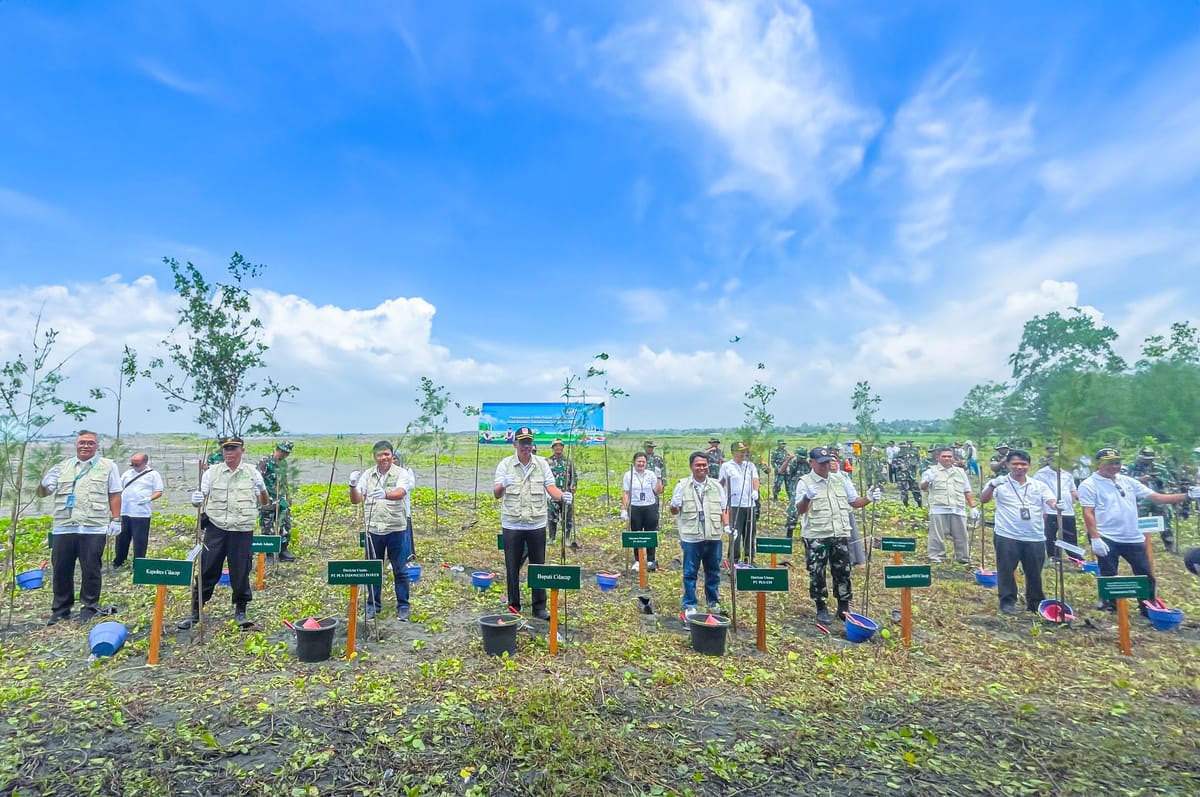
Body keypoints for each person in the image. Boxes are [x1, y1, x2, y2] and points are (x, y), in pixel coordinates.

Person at [1077, 447, 1197, 612]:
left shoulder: (1128, 481)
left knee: (1145, 573)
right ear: (1098, 464)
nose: (1114, 466)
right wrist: (1095, 538)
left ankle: (1148, 605)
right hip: (1106, 536)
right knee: (1108, 573)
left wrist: (1188, 495)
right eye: (1109, 463)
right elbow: (1088, 512)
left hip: (1132, 536)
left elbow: (1158, 497)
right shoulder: (1089, 484)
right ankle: (1109, 603)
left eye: (1117, 462)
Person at [178, 435, 268, 629]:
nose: (229, 452)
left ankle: (241, 611)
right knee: (207, 569)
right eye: (226, 449)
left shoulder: (252, 472)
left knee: (241, 571)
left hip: (242, 530)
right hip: (216, 528)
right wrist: (195, 500)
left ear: (242, 450)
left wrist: (262, 490)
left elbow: (264, 501)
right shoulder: (212, 472)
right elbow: (202, 498)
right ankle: (195, 611)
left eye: (233, 448)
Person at [37, 430, 122, 625]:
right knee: (61, 569)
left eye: (91, 443)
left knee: (91, 569)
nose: (86, 446)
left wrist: (116, 519)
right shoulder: (61, 467)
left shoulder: (108, 466)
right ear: (76, 444)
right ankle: (61, 610)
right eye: (82, 442)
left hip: (93, 526)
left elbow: (115, 493)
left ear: (97, 446)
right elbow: (43, 493)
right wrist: (42, 484)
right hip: (64, 526)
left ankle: (89, 607)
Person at [795, 446, 881, 624]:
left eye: (827, 462)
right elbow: (801, 510)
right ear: (811, 463)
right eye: (821, 463)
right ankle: (821, 607)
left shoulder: (840, 479)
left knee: (843, 571)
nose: (825, 466)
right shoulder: (805, 482)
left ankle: (843, 607)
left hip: (839, 532)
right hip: (817, 535)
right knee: (817, 572)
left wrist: (868, 498)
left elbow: (854, 502)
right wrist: (807, 497)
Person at [493, 427, 565, 619]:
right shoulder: (505, 465)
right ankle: (514, 605)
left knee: (538, 566)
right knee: (512, 566)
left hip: (536, 523)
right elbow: (496, 493)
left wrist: (563, 496)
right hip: (512, 524)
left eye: (529, 443)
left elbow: (551, 488)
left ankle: (539, 607)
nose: (526, 446)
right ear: (515, 444)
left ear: (532, 444)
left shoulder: (541, 464)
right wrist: (503, 485)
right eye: (522, 443)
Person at [978, 450, 1057, 615]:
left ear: (1029, 466)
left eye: (1023, 464)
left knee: (1034, 571)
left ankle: (1035, 602)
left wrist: (1057, 505)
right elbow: (983, 499)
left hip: (1034, 535)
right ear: (1007, 465)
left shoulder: (1038, 486)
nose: (1019, 467)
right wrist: (992, 485)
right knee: (1006, 570)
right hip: (1007, 534)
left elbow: (1051, 501)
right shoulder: (999, 483)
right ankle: (1007, 601)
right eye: (1015, 464)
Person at [349, 441, 413, 621]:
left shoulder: (401, 473)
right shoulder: (368, 475)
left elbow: (401, 492)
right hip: (373, 530)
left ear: (392, 456)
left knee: (400, 570)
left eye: (387, 454)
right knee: (373, 570)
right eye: (380, 455)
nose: (384, 458)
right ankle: (372, 606)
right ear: (375, 457)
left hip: (395, 529)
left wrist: (385, 494)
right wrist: (352, 485)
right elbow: (356, 500)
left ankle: (403, 606)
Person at [670, 452, 729, 622]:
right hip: (692, 537)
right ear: (691, 467)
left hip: (713, 536)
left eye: (704, 465)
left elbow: (724, 508)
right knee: (690, 572)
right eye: (698, 465)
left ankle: (713, 602)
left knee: (713, 572)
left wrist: (726, 525)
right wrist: (675, 505)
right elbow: (674, 510)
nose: (702, 468)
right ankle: (690, 604)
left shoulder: (716, 485)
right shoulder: (682, 485)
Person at [920, 447, 978, 564]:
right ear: (937, 458)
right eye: (944, 456)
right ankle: (936, 558)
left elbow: (967, 491)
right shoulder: (930, 472)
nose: (947, 458)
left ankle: (963, 559)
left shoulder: (960, 472)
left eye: (949, 456)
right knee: (937, 536)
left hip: (958, 508)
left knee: (962, 536)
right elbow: (923, 488)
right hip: (938, 508)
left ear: (953, 458)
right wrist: (927, 481)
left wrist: (973, 507)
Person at [113, 451, 164, 569]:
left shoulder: (153, 474)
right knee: (121, 538)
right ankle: (119, 561)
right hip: (125, 510)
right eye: (133, 464)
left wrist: (148, 498)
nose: (134, 467)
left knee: (140, 540)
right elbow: (118, 489)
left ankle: (139, 565)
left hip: (141, 513)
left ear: (145, 463)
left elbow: (159, 491)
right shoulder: (127, 474)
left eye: (137, 464)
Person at [1128, 447, 1179, 552]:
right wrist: (1139, 480)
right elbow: (1122, 480)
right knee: (1138, 522)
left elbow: (1171, 482)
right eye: (1145, 459)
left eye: (1150, 459)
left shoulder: (1160, 468)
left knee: (1164, 522)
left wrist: (1159, 480)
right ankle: (1138, 546)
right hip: (1139, 500)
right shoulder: (1131, 467)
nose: (1148, 461)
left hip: (1158, 498)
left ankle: (1169, 545)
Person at [719, 442, 761, 565]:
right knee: (735, 534)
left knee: (750, 534)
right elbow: (721, 484)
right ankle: (733, 560)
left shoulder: (750, 465)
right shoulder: (727, 466)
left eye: (744, 451)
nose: (743, 454)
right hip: (734, 504)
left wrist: (755, 490)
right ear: (733, 453)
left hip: (749, 504)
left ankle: (749, 559)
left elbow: (755, 479)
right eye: (740, 451)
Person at [621, 452, 663, 571]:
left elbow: (657, 490)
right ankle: (638, 560)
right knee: (636, 533)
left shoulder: (650, 474)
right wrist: (624, 509)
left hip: (650, 506)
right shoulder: (628, 475)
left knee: (650, 533)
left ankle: (650, 560)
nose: (641, 464)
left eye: (643, 462)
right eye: (639, 461)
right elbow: (626, 493)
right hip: (635, 507)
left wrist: (659, 478)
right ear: (634, 462)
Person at [1033, 456, 1079, 561]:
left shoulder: (1067, 474)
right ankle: (1054, 558)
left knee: (1070, 535)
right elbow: (1037, 493)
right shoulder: (1041, 474)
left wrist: (1081, 499)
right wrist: (1042, 510)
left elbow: (1072, 490)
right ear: (1049, 461)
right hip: (1050, 510)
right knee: (1050, 536)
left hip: (1067, 510)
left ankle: (1075, 558)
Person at [258, 440, 297, 562]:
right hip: (267, 499)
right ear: (277, 449)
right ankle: (269, 554)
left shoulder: (283, 464)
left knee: (285, 523)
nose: (284, 455)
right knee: (267, 526)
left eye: (287, 453)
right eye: (283, 452)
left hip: (280, 499)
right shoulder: (265, 462)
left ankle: (283, 550)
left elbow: (284, 481)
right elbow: (257, 481)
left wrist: (288, 495)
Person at [546, 439, 578, 549]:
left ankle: (567, 538)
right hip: (553, 494)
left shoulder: (568, 462)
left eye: (560, 446)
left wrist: (573, 486)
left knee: (567, 518)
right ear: (553, 448)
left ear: (563, 448)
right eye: (556, 446)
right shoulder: (548, 462)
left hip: (566, 494)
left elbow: (574, 477)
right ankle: (552, 537)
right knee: (552, 517)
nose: (558, 448)